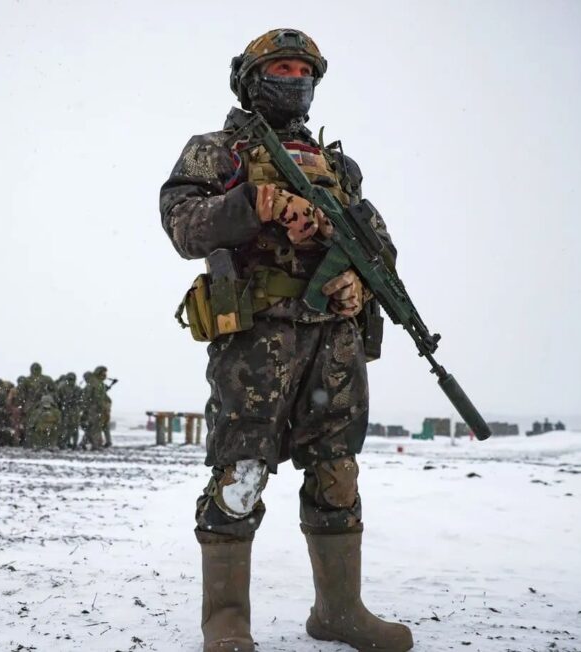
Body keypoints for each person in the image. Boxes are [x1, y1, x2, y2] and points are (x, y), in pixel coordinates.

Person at [159, 29, 411, 652]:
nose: (294, 78)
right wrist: (254, 204)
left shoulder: (340, 169)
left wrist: (360, 285)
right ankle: (226, 622)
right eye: (281, 67)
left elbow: (380, 249)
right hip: (256, 341)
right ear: (252, 79)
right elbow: (182, 223)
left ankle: (338, 612)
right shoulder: (218, 151)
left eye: (304, 69)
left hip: (334, 345)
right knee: (240, 471)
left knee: (336, 473)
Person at [80, 370, 108, 451]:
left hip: (93, 408)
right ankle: (95, 444)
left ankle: (89, 443)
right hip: (97, 409)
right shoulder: (98, 384)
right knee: (94, 427)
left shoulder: (91, 385)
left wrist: (84, 408)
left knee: (93, 427)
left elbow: (87, 398)